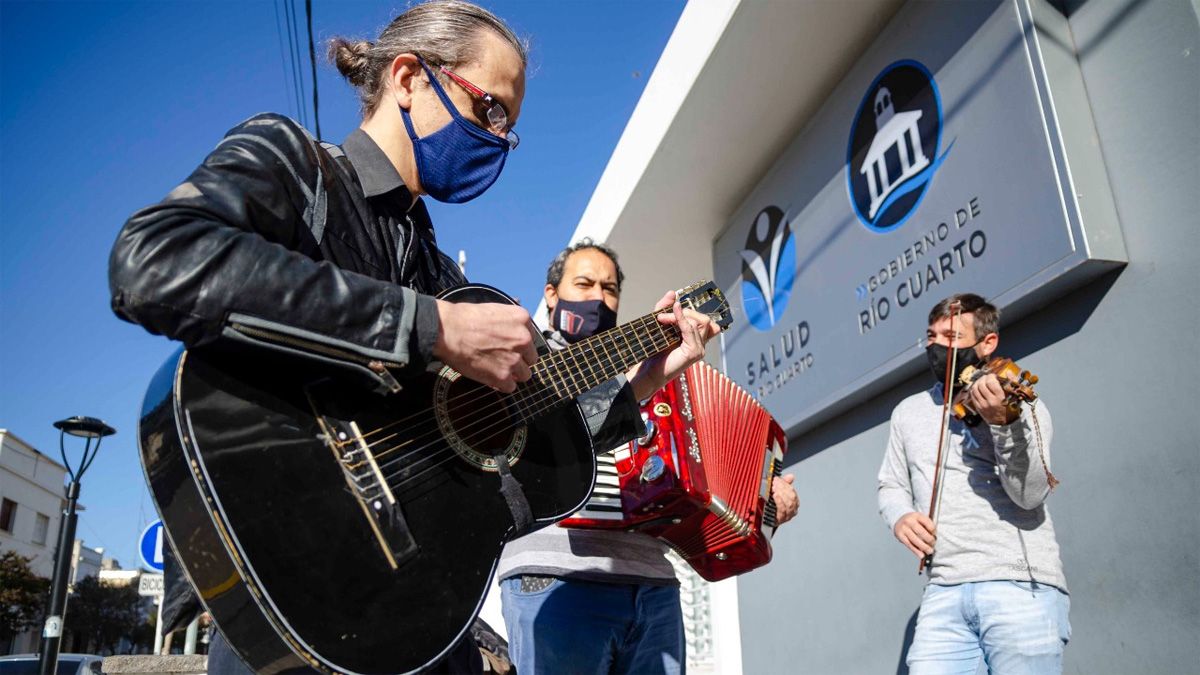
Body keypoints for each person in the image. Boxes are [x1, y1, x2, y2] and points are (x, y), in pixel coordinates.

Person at [107, 2, 719, 672]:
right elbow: (155, 262)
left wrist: (647, 377)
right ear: (407, 78)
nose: (499, 138)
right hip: (287, 596)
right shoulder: (295, 167)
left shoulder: (440, 272)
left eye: (508, 126)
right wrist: (429, 325)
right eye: (490, 109)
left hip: (419, 616)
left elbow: (532, 432)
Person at [496, 240, 799, 675]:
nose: (598, 298)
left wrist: (765, 495)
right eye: (584, 284)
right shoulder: (523, 357)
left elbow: (709, 462)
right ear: (550, 294)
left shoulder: (655, 369)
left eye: (609, 289)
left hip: (652, 583)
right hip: (555, 576)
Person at [877, 293, 1069, 674]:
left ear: (987, 343)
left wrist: (1004, 425)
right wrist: (900, 516)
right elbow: (891, 484)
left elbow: (1030, 494)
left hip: (1019, 585)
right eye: (931, 337)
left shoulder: (1019, 401)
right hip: (942, 591)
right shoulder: (908, 412)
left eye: (951, 337)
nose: (937, 347)